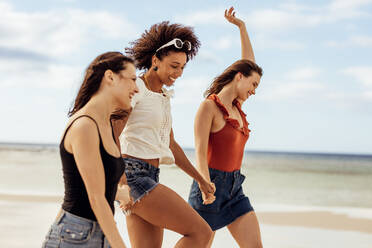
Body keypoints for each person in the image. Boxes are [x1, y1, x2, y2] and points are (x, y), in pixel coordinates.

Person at [112, 21, 215, 247]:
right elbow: (113, 131)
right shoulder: (136, 87)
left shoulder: (163, 97)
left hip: (150, 174)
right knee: (202, 233)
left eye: (181, 68)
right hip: (133, 176)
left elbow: (171, 145)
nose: (177, 73)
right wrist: (120, 179)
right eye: (173, 66)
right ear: (155, 60)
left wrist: (200, 180)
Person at [42, 52, 138, 248]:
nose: (136, 88)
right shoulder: (85, 125)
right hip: (74, 236)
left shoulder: (105, 123)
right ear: (110, 77)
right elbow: (95, 198)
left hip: (98, 232)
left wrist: (120, 194)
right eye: (133, 80)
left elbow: (95, 188)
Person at [188, 7, 264, 248]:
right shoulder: (209, 107)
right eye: (253, 84)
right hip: (209, 186)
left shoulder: (237, 107)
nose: (254, 90)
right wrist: (205, 186)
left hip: (235, 188)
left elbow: (249, 62)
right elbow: (199, 152)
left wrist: (242, 27)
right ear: (239, 76)